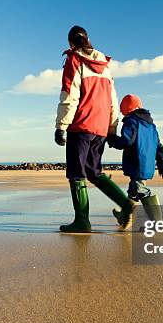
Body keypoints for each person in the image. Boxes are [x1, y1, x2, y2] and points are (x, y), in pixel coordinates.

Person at [54, 25, 134, 233]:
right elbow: (113, 100)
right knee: (93, 171)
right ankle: (126, 203)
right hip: (99, 127)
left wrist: (61, 126)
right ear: (88, 40)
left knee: (76, 173)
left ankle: (82, 221)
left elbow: (69, 95)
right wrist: (111, 127)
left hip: (80, 125)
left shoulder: (75, 60)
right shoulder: (105, 67)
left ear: (71, 42)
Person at [107, 94, 163, 222]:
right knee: (133, 191)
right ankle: (125, 216)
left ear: (125, 110)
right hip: (147, 164)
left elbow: (126, 141)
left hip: (137, 163)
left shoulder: (131, 121)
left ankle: (158, 222)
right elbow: (158, 146)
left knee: (141, 189)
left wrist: (112, 139)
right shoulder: (151, 125)